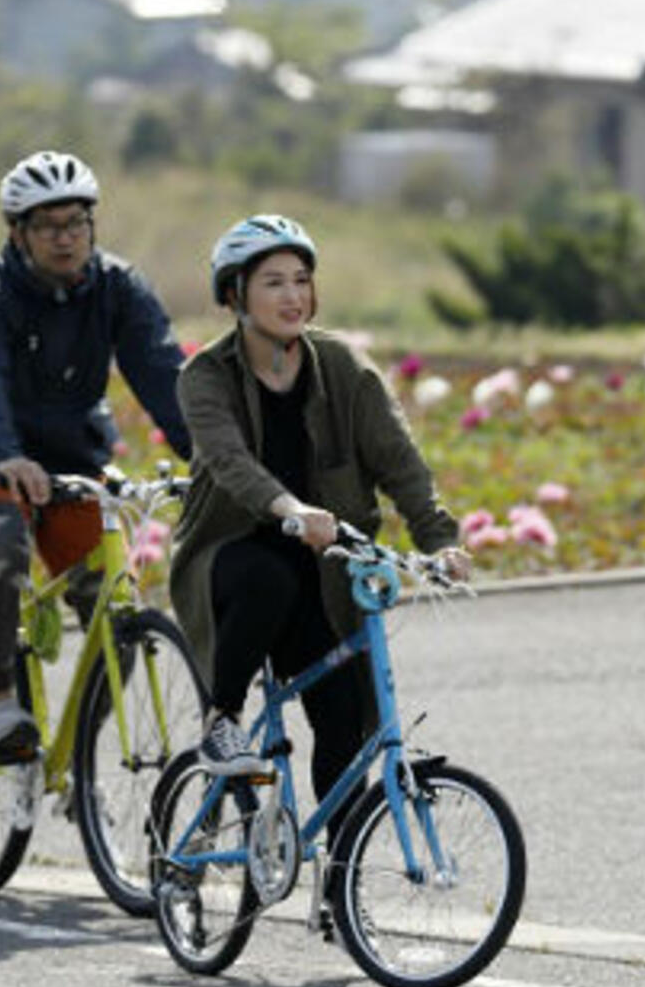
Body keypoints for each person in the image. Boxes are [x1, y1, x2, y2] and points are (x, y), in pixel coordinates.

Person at [169, 214, 469, 807]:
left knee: (344, 719)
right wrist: (289, 508)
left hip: (328, 567)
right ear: (235, 294)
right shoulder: (205, 376)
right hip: (231, 558)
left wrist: (439, 542)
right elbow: (229, 461)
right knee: (267, 577)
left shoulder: (343, 368)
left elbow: (399, 463)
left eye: (302, 280)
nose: (293, 295)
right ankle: (222, 719)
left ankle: (336, 889)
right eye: (274, 282)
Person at [0, 150, 193, 763]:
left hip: (75, 469)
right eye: (48, 226)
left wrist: (209, 458)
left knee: (119, 620)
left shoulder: (118, 288)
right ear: (17, 233)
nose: (65, 237)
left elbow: (164, 376)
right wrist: (7, 455)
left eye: (76, 222)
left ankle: (76, 758)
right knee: (1, 547)